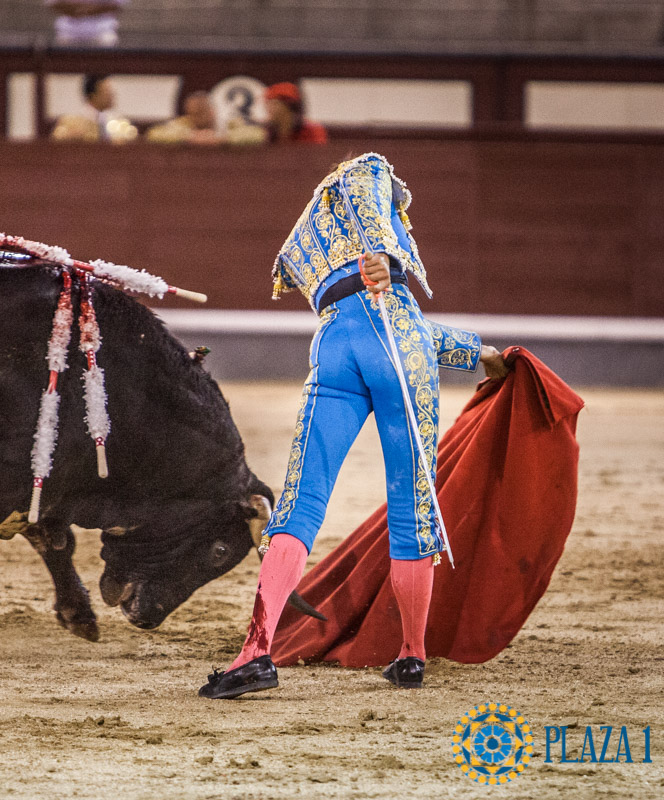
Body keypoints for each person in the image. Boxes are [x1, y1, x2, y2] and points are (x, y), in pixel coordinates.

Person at [198, 153, 510, 700]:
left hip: (337, 341)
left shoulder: (315, 231)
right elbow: (397, 317)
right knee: (412, 503)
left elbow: (403, 322)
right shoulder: (368, 170)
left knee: (302, 500)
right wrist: (382, 254)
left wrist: (482, 353)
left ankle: (256, 653)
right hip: (391, 341)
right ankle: (411, 655)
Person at [146, 91, 265, 146]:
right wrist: (188, 137)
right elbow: (154, 133)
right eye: (193, 113)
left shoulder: (231, 124)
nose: (196, 117)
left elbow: (258, 134)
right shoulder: (183, 123)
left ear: (212, 111)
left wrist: (224, 139)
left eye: (201, 112)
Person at [51, 74, 137, 143]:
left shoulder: (119, 123)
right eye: (107, 92)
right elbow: (57, 140)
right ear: (93, 95)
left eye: (111, 92)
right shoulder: (71, 122)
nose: (112, 95)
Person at [46, 1, 127, 47]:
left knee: (108, 47)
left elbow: (117, 5)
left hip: (101, 27)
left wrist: (86, 10)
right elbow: (53, 3)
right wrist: (82, 9)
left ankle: (95, 76)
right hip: (69, 28)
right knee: (62, 61)